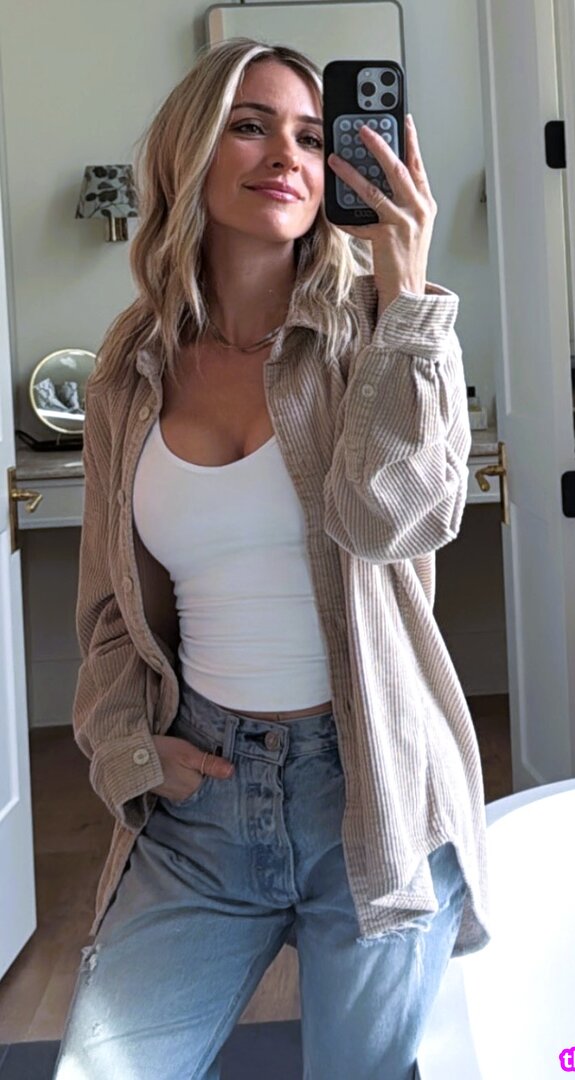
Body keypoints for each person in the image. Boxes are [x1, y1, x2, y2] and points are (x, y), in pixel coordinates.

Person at [53, 37, 489, 1080]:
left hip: (373, 788)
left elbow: (395, 521)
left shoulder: (383, 334)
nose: (288, 154)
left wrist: (405, 294)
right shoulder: (130, 367)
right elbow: (112, 607)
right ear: (190, 154)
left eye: (311, 134)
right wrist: (131, 752)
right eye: (250, 126)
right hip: (201, 797)